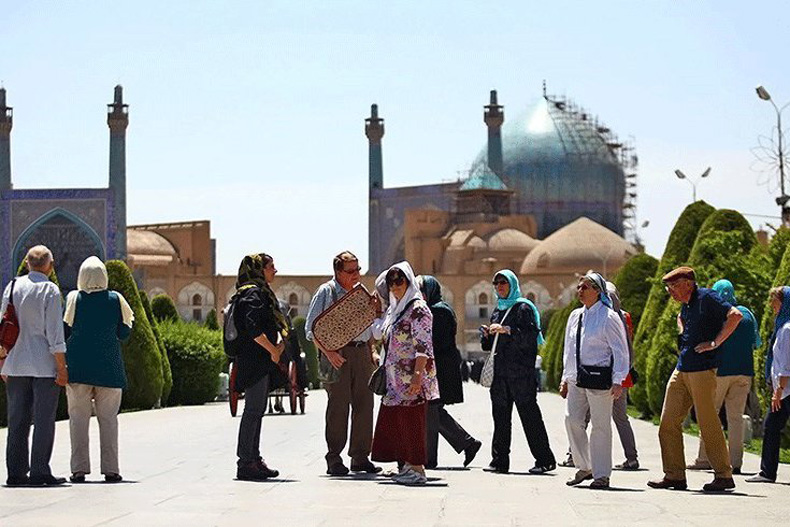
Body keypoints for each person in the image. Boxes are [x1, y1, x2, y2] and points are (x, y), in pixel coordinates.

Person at [648, 266, 742, 492]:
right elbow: (683, 320)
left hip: (702, 370)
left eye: (673, 286)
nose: (670, 291)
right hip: (682, 368)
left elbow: (735, 315)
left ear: (688, 283)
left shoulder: (707, 297)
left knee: (708, 422)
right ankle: (675, 476)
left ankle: (723, 475)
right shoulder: (686, 306)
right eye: (668, 287)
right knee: (667, 422)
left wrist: (715, 343)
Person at [305, 251, 381, 476]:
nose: (357, 274)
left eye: (358, 269)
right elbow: (311, 329)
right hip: (337, 355)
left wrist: (372, 352)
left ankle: (360, 457)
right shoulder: (327, 292)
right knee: (338, 407)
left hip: (361, 355)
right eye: (351, 271)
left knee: (364, 405)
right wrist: (329, 353)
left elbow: (367, 328)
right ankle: (334, 458)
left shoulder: (360, 294)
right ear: (338, 271)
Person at [0, 245, 68, 486]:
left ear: (27, 263)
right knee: (43, 420)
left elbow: (3, 326)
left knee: (17, 420)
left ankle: (16, 473)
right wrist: (61, 367)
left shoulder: (13, 286)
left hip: (16, 364)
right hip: (44, 366)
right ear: (50, 266)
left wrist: (2, 362)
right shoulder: (49, 290)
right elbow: (54, 333)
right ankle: (40, 471)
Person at [63, 256, 134, 483]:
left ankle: (79, 470)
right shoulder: (116, 299)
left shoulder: (74, 299)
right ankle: (111, 470)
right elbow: (124, 333)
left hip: (78, 370)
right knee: (109, 421)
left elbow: (65, 331)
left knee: (78, 420)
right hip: (109, 371)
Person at [481, 269, 556, 475]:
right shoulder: (498, 309)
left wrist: (507, 330)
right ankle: (499, 461)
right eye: (496, 283)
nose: (499, 287)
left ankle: (545, 460)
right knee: (500, 418)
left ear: (512, 284)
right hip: (500, 375)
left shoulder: (523, 308)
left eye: (503, 283)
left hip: (520, 375)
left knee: (530, 417)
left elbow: (530, 338)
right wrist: (487, 334)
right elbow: (490, 346)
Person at [371, 262, 439, 485]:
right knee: (399, 422)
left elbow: (423, 346)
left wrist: (418, 377)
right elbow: (381, 332)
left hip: (411, 378)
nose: (395, 286)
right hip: (395, 379)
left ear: (409, 281)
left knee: (412, 421)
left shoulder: (418, 309)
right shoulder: (398, 309)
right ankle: (407, 466)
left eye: (400, 281)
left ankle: (417, 470)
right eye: (392, 283)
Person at [560, 273, 629, 489]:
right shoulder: (575, 316)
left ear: (598, 291)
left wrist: (618, 379)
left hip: (600, 379)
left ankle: (601, 474)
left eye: (585, 287)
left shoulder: (609, 317)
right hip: (576, 379)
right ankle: (584, 466)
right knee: (572, 420)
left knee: (600, 426)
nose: (580, 291)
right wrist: (565, 378)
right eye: (579, 287)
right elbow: (569, 350)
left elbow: (620, 350)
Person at [689, 279, 759, 475]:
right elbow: (757, 342)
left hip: (719, 372)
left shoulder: (718, 315)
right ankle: (735, 462)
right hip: (745, 373)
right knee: (735, 418)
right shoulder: (747, 314)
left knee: (709, 413)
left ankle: (704, 458)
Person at [232, 253, 287, 481]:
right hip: (254, 361)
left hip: (257, 361)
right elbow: (253, 328)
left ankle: (253, 459)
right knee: (253, 411)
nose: (275, 270)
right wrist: (273, 350)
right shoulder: (252, 294)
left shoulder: (255, 292)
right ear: (259, 269)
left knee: (256, 411)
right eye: (270, 267)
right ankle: (245, 462)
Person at [418, 275, 482, 469]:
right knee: (434, 411)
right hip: (438, 368)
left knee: (431, 411)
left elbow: (437, 342)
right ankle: (467, 443)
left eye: (421, 289)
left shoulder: (439, 312)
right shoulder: (438, 309)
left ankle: (431, 458)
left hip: (440, 370)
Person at [747, 286, 790, 483]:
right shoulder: (784, 327)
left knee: (771, 427)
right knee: (772, 427)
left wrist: (779, 390)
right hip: (783, 389)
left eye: (775, 301)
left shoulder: (787, 329)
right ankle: (767, 471)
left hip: (786, 390)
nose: (772, 305)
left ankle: (767, 472)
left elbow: (787, 364)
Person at [606, 282, 640, 471]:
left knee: (586, 415)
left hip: (603, 375)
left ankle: (573, 455)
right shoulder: (625, 316)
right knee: (621, 418)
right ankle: (632, 458)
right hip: (623, 374)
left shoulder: (603, 317)